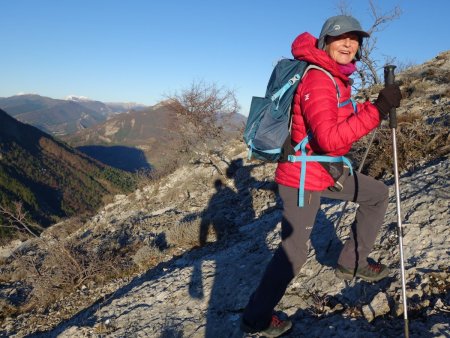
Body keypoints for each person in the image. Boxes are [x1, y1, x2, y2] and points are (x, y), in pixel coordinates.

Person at [240, 15, 402, 337]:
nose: (349, 44)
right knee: (294, 253)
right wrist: (378, 110)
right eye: (341, 37)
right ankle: (255, 319)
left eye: (354, 39)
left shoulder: (335, 77)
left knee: (376, 194)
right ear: (325, 41)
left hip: (325, 168)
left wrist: (372, 106)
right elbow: (329, 138)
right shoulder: (318, 78)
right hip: (302, 177)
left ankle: (351, 261)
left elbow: (336, 123)